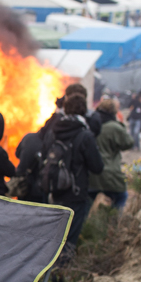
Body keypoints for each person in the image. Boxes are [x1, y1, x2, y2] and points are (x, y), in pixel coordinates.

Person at [44, 93, 103, 256]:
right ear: (84, 110)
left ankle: (50, 267)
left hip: (54, 190)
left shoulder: (53, 130)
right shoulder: (85, 135)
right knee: (69, 240)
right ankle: (62, 269)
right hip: (75, 193)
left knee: (55, 236)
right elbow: (97, 167)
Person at [88, 97, 134, 211]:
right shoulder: (114, 127)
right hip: (110, 174)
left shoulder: (90, 124)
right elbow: (129, 143)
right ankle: (113, 220)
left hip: (91, 174)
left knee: (87, 203)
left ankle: (87, 221)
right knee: (121, 197)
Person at [11, 131, 47, 204]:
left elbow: (17, 154)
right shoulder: (49, 142)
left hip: (23, 185)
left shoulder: (28, 137)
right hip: (38, 190)